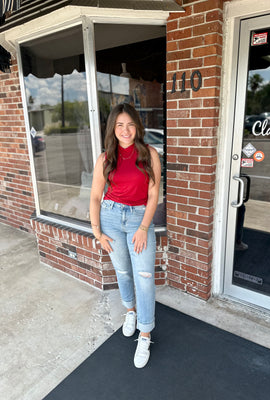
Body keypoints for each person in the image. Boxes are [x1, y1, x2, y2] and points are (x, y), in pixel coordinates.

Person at [89, 103, 161, 368]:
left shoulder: (150, 153)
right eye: (120, 125)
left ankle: (145, 333)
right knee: (123, 272)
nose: (125, 130)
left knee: (144, 277)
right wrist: (97, 232)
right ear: (113, 129)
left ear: (137, 126)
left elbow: (154, 194)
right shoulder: (105, 158)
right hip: (110, 217)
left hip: (139, 218)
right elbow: (96, 196)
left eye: (130, 124)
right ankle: (130, 312)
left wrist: (143, 227)